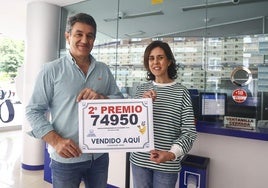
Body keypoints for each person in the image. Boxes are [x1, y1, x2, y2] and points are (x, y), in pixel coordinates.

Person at [25, 13, 123, 188]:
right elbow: (33, 110)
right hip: (66, 160)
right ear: (68, 36)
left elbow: (119, 101)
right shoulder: (51, 70)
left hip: (99, 157)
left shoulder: (103, 70)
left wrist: (102, 98)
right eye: (79, 34)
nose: (84, 40)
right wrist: (55, 141)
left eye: (90, 36)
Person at [129, 40, 197, 188]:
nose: (155, 62)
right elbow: (130, 126)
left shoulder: (181, 92)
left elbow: (189, 132)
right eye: (151, 58)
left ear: (169, 61)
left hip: (167, 165)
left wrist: (171, 154)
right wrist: (141, 106)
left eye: (160, 57)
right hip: (140, 161)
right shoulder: (141, 90)